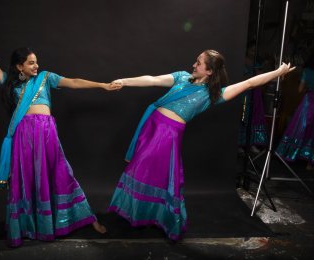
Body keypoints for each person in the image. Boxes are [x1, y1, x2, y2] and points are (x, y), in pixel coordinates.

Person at [107, 49, 294, 240]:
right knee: (140, 170)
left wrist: (277, 73)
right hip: (152, 126)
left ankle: (160, 217)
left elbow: (249, 83)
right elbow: (153, 79)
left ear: (210, 71)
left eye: (198, 63)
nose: (194, 65)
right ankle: (137, 213)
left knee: (154, 172)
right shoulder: (182, 78)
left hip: (168, 135)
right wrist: (124, 81)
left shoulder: (213, 95)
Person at [0, 44, 121, 247]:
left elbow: (74, 82)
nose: (36, 66)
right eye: (31, 63)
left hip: (46, 132)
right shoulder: (10, 83)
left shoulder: (45, 77)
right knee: (27, 177)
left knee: (60, 172)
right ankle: (30, 226)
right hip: (24, 135)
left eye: (36, 62)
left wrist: (102, 85)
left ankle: (86, 218)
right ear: (19, 66)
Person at [276, 53, 314, 170]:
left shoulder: (307, 71)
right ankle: (309, 162)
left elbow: (300, 89)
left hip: (308, 102)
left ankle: (290, 154)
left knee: (299, 128)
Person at [238, 43, 269, 154]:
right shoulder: (242, 61)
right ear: (247, 50)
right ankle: (239, 144)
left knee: (255, 117)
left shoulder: (257, 63)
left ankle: (251, 144)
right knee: (243, 117)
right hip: (245, 93)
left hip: (256, 93)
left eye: (255, 50)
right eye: (251, 50)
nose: (253, 52)